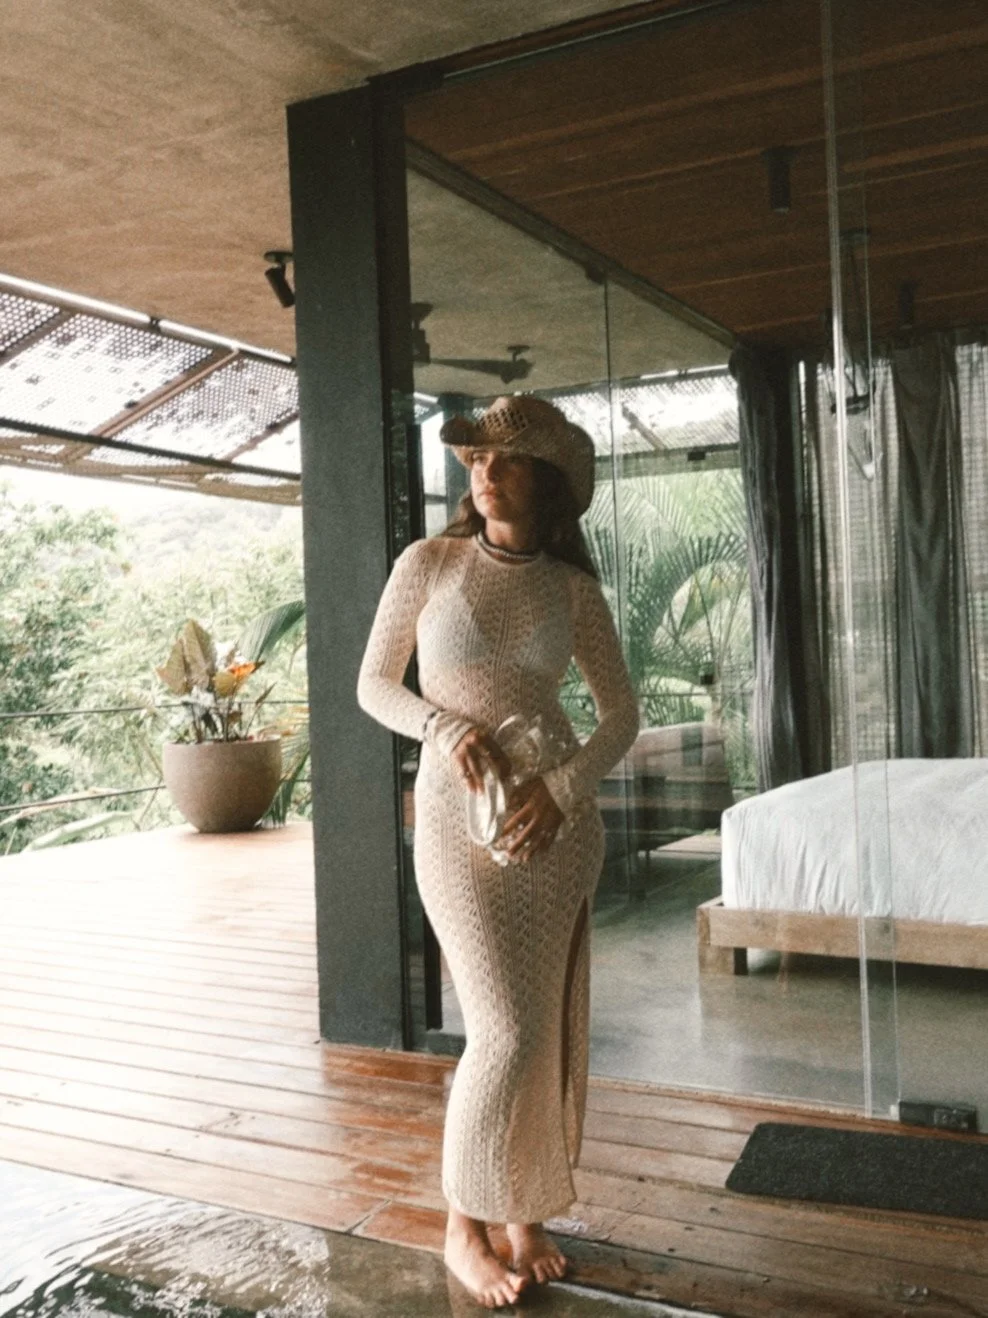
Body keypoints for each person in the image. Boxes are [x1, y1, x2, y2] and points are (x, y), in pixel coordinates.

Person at [357, 394, 639, 1309]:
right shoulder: (428, 564)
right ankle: (461, 1227)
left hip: (556, 829)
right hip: (454, 821)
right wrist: (440, 726)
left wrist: (563, 792)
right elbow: (372, 685)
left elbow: (621, 716)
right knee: (504, 1033)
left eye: (505, 461)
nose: (483, 474)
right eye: (475, 460)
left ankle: (524, 1210)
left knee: (542, 1027)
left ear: (546, 483)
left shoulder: (571, 590)